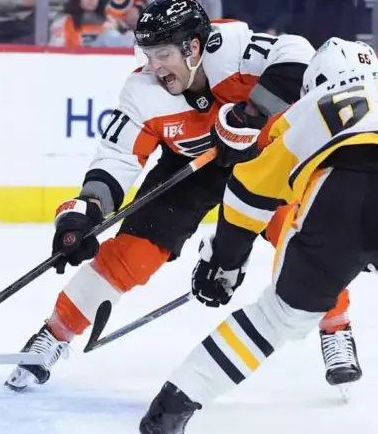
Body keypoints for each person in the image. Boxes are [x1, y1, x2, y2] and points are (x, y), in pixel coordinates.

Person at [4, 0, 360, 393]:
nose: (154, 66)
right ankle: (53, 336)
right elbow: (117, 157)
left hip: (260, 164)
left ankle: (336, 327)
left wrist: (253, 115)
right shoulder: (141, 91)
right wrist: (86, 211)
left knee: (300, 238)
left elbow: (298, 53)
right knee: (131, 254)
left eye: (163, 54)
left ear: (193, 47)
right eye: (148, 55)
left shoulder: (232, 48)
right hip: (190, 169)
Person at [139, 37, 378, 433]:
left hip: (339, 197)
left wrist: (225, 261)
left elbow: (250, 191)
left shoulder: (308, 109)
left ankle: (172, 407)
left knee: (278, 317)